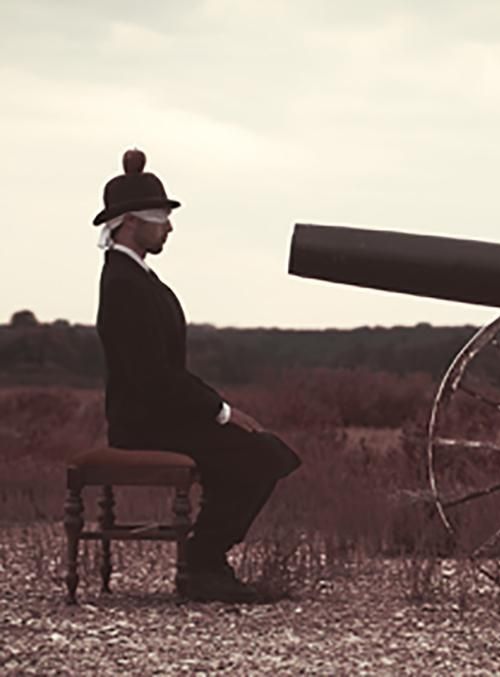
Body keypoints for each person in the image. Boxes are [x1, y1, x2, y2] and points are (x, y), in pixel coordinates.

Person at [93, 149, 301, 603]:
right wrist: (222, 412)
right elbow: (154, 378)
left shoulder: (134, 277)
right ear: (130, 222)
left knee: (263, 452)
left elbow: (162, 376)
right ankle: (204, 561)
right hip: (145, 424)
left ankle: (205, 559)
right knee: (262, 456)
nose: (168, 226)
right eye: (159, 217)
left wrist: (217, 413)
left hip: (158, 415)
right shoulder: (125, 284)